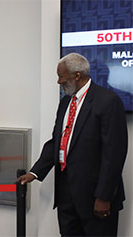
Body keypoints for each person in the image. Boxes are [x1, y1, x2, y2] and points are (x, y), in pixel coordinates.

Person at [18, 53, 128, 236]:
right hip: (66, 197)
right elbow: (57, 141)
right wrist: (35, 172)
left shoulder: (108, 101)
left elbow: (114, 154)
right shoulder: (65, 103)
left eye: (61, 76)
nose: (58, 82)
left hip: (95, 198)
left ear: (77, 75)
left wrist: (104, 196)